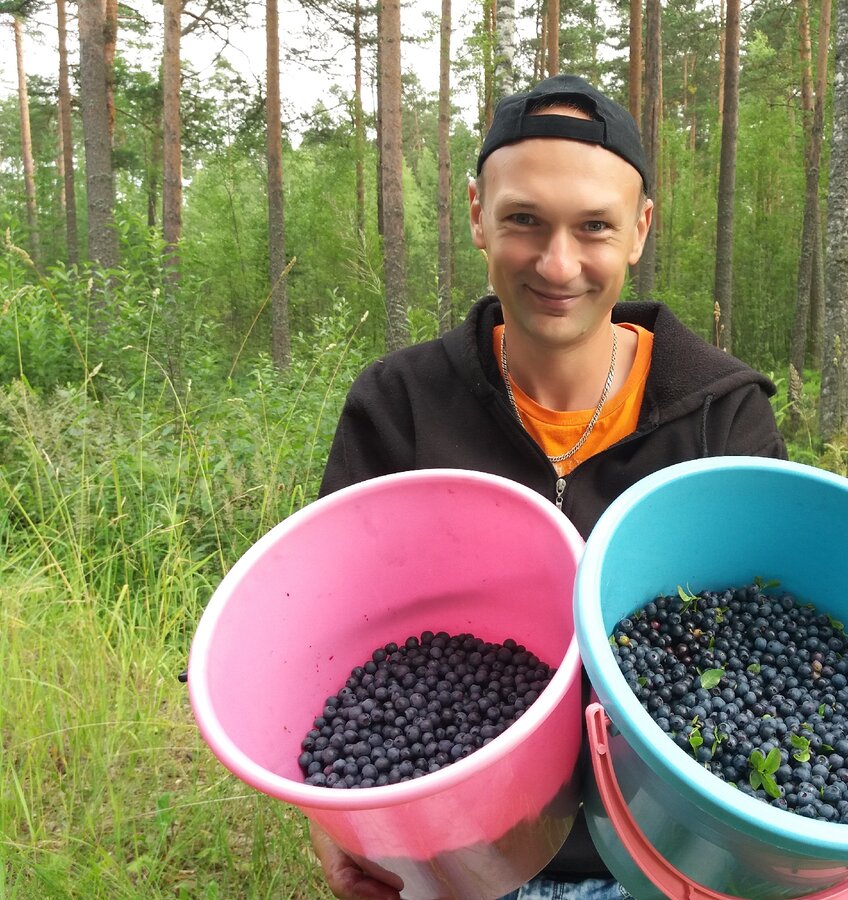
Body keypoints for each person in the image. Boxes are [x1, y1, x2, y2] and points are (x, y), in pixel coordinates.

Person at [309, 74, 787, 900]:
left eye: (594, 227)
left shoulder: (721, 418)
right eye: (524, 220)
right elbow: (328, 628)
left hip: (670, 861)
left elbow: (769, 647)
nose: (558, 263)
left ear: (639, 229)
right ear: (476, 215)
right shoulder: (400, 405)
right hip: (453, 850)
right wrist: (338, 817)